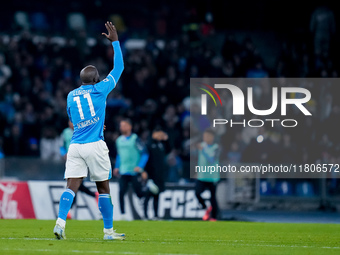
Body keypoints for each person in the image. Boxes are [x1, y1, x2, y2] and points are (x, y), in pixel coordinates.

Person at [53, 22, 125, 240]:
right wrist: (115, 42)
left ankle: (60, 223)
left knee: (71, 186)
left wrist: (91, 122)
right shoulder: (100, 89)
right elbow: (119, 67)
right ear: (96, 79)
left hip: (75, 145)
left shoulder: (70, 95)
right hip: (95, 144)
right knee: (103, 188)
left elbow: (73, 119)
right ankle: (108, 232)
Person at [60, 120, 99, 219]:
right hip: (70, 160)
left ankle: (69, 211)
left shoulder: (82, 131)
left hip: (81, 160)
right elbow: (61, 145)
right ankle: (94, 195)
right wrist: (63, 153)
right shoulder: (65, 133)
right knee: (76, 185)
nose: (71, 124)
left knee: (73, 184)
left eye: (73, 122)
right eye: (70, 122)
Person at [114, 119, 149, 219]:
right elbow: (119, 155)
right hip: (123, 171)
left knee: (139, 193)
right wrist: (117, 167)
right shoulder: (119, 140)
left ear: (130, 126)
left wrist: (140, 167)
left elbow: (145, 154)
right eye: (121, 125)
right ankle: (123, 215)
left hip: (134, 171)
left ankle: (145, 210)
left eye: (124, 125)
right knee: (121, 192)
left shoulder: (135, 139)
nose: (122, 127)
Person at [143, 127, 169, 220]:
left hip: (159, 175)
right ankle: (145, 215)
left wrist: (166, 140)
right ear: (154, 133)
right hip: (151, 174)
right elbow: (145, 159)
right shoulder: (149, 144)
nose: (161, 136)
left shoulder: (161, 145)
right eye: (159, 134)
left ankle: (156, 215)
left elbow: (169, 151)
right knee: (148, 195)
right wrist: (144, 171)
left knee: (157, 195)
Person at [195, 128, 220, 221]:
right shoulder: (201, 146)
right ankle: (205, 207)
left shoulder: (216, 147)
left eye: (207, 136)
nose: (205, 138)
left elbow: (212, 160)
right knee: (197, 193)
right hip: (202, 176)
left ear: (212, 137)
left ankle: (214, 217)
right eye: (204, 136)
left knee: (213, 197)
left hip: (212, 177)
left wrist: (204, 150)